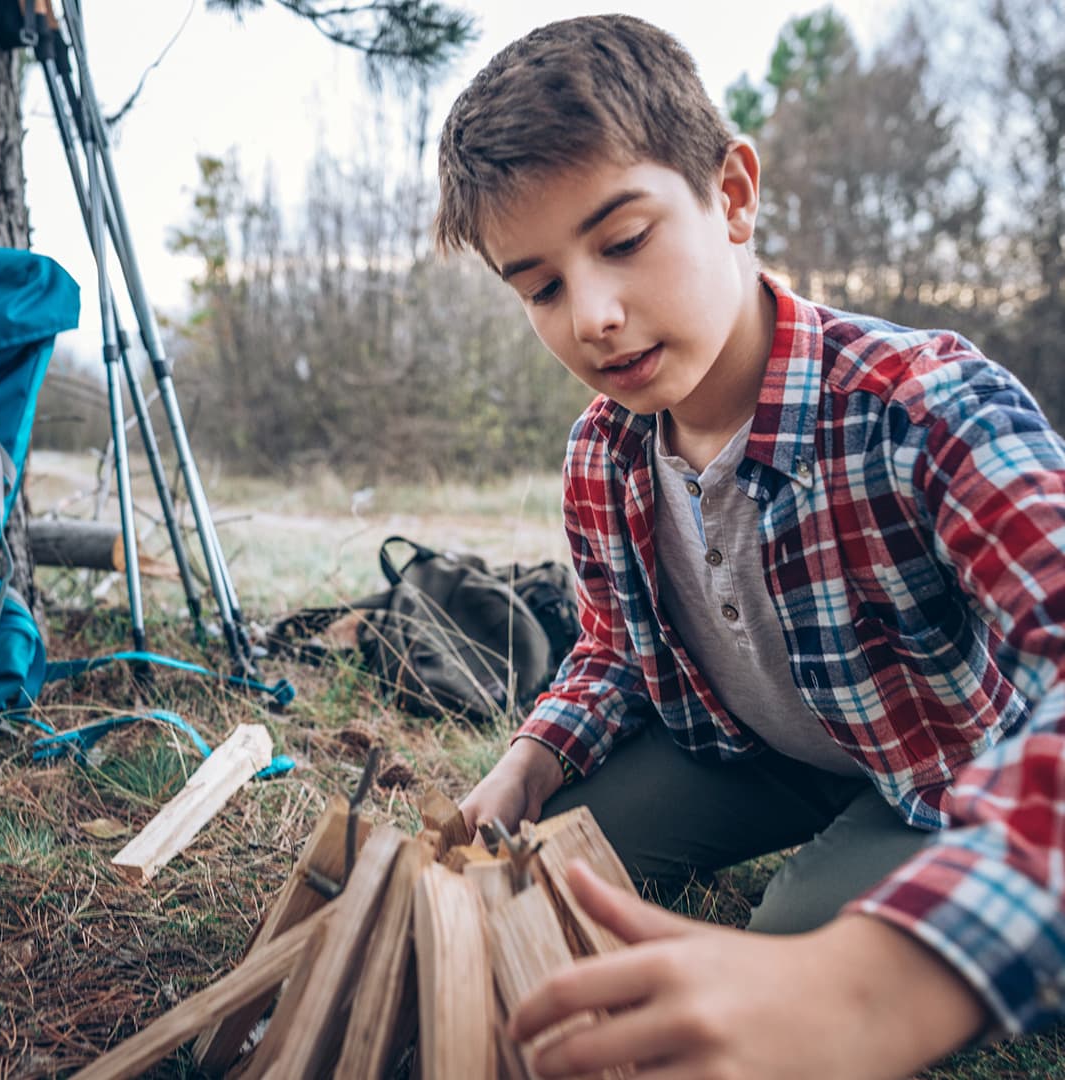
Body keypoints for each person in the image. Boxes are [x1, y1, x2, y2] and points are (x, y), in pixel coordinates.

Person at [434, 14, 1065, 1078]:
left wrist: (880, 984)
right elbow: (610, 653)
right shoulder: (604, 452)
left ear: (731, 194)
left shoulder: (924, 404)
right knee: (530, 877)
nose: (592, 315)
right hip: (746, 753)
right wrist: (526, 761)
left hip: (936, 772)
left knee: (785, 964)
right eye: (540, 286)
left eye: (624, 242)